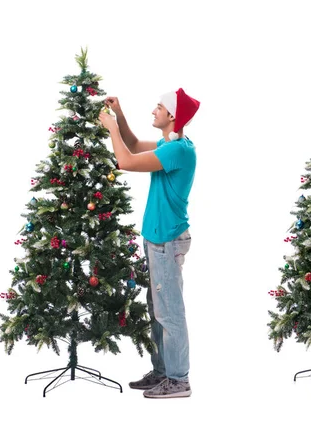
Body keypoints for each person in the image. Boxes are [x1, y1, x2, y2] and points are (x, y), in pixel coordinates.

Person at [98, 88, 200, 399]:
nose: (153, 111)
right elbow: (133, 145)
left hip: (167, 241)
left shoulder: (178, 151)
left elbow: (125, 161)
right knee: (158, 308)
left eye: (159, 107)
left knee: (170, 312)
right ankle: (162, 371)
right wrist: (121, 118)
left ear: (172, 116)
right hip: (156, 238)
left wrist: (111, 129)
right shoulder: (169, 145)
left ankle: (179, 379)